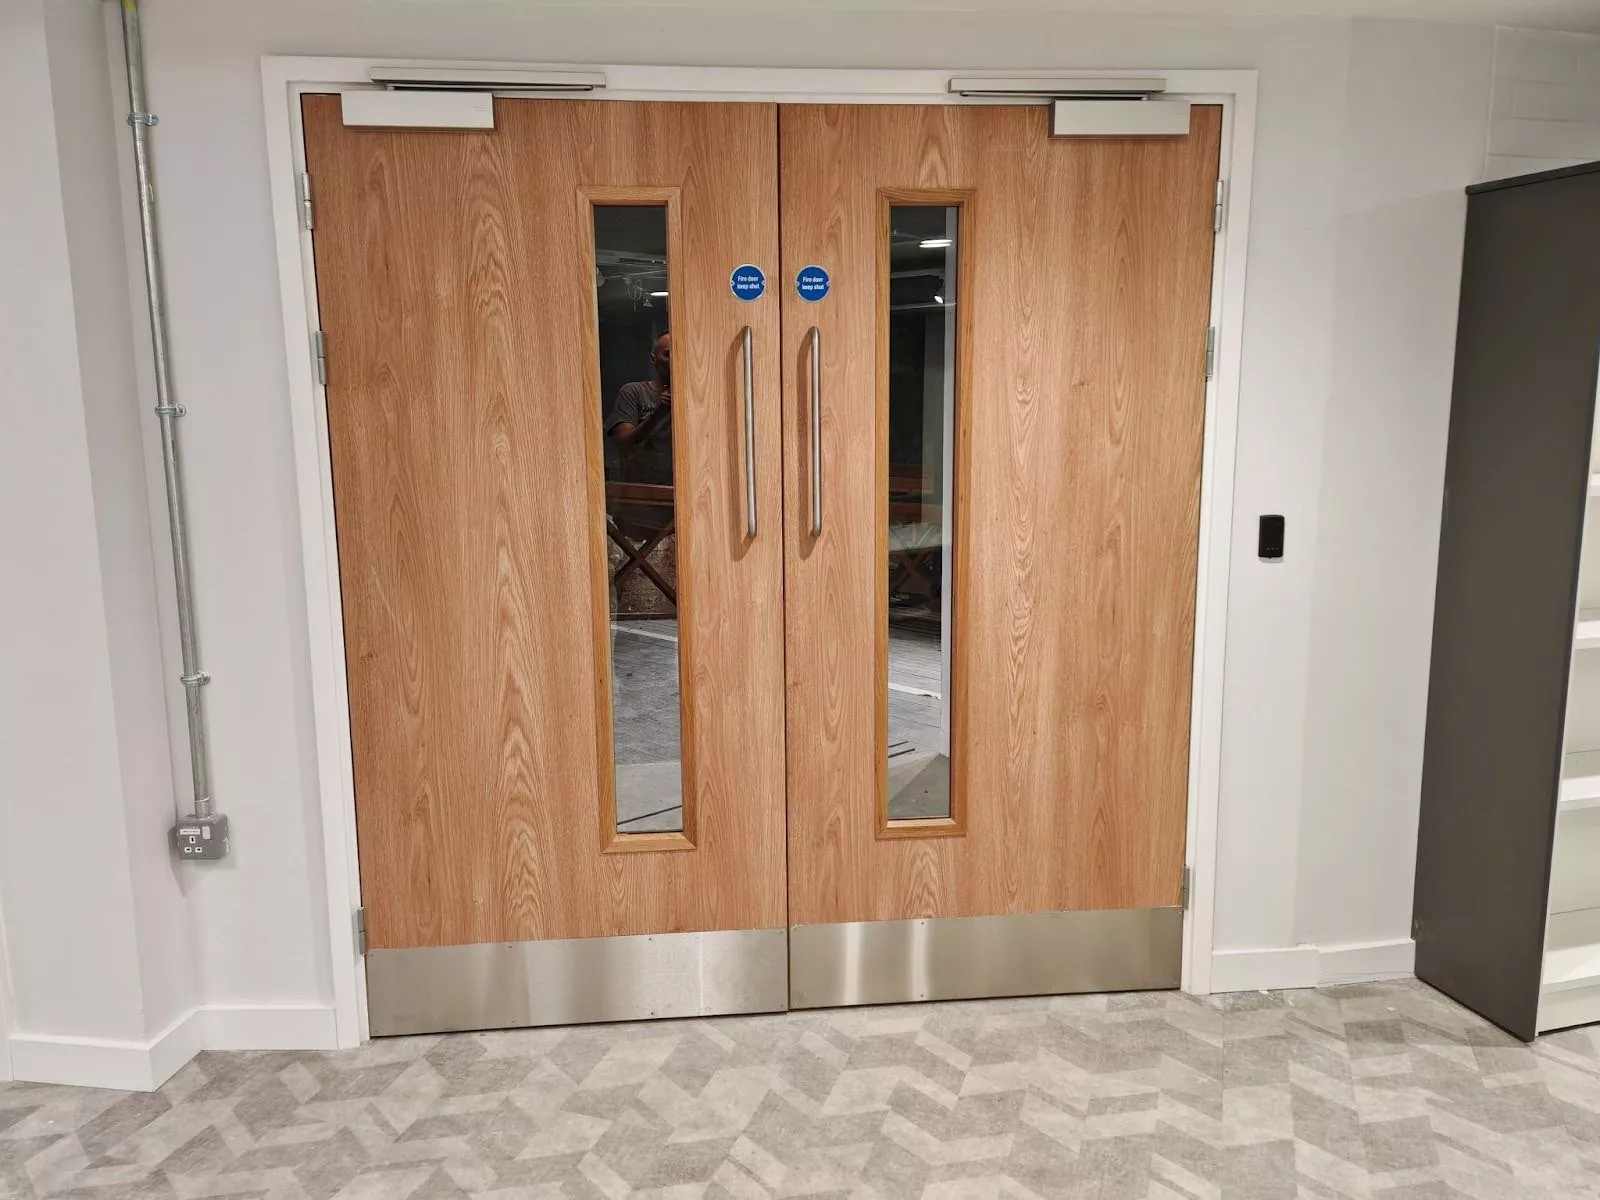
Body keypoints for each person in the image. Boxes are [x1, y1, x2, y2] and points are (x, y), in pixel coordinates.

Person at [605, 331, 672, 486]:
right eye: (667, 354)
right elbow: (624, 444)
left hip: (681, 486)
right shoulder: (634, 392)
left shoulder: (689, 397)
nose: (673, 361)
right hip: (640, 489)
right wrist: (658, 413)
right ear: (653, 359)